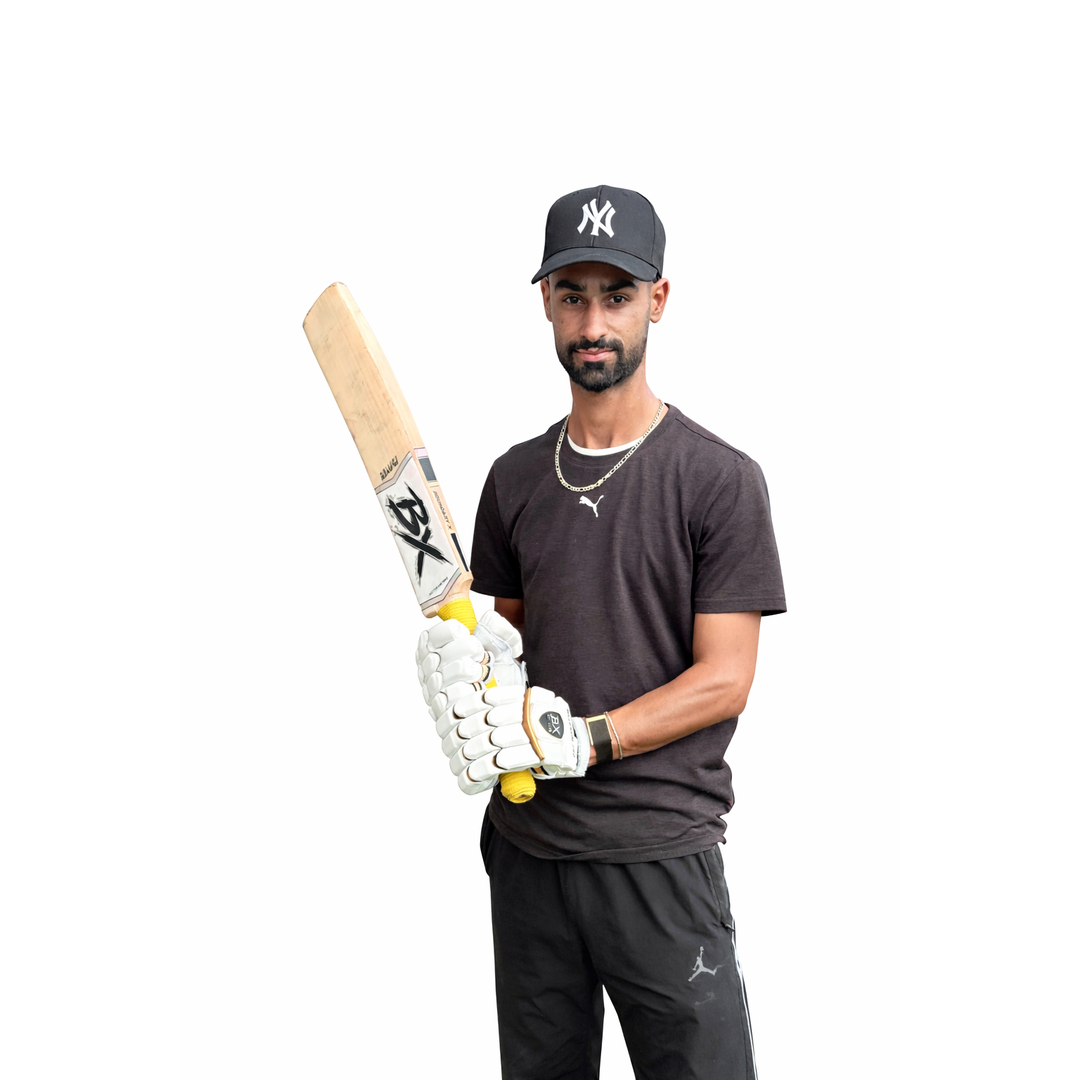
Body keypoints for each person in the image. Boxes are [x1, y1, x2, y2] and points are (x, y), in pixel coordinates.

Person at [415, 185, 786, 1080]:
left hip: (658, 855)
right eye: (572, 295)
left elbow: (726, 677)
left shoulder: (718, 479)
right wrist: (457, 676)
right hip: (530, 850)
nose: (594, 321)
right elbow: (501, 642)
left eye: (616, 296)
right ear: (545, 301)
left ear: (657, 302)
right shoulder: (513, 479)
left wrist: (591, 739)